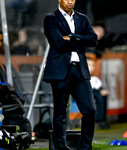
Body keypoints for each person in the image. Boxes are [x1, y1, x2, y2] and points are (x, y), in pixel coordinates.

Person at [43, 0, 97, 149]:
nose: (70, 2)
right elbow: (58, 43)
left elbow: (93, 39)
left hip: (80, 71)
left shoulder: (82, 18)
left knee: (90, 110)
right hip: (60, 71)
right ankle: (61, 147)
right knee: (60, 113)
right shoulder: (51, 18)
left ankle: (85, 147)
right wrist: (81, 39)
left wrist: (72, 37)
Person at [86, 57, 109, 129]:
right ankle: (98, 120)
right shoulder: (79, 78)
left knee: (103, 95)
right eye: (88, 65)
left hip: (94, 93)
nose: (91, 67)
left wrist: (102, 91)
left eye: (92, 65)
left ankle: (102, 119)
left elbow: (99, 88)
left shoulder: (95, 79)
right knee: (97, 95)